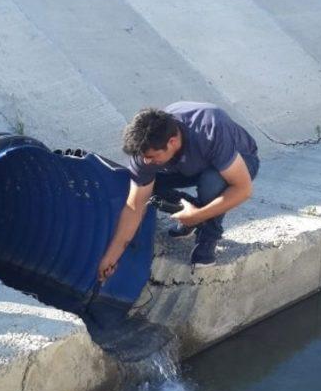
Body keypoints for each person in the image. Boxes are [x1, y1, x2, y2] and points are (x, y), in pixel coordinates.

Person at [97, 102, 260, 280]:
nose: (147, 161)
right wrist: (111, 257)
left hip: (240, 161)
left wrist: (199, 216)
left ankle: (208, 235)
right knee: (144, 184)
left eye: (151, 156)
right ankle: (186, 212)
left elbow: (243, 189)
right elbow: (135, 206)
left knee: (211, 183)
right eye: (144, 157)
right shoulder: (146, 149)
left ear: (172, 142)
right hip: (188, 165)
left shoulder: (210, 128)